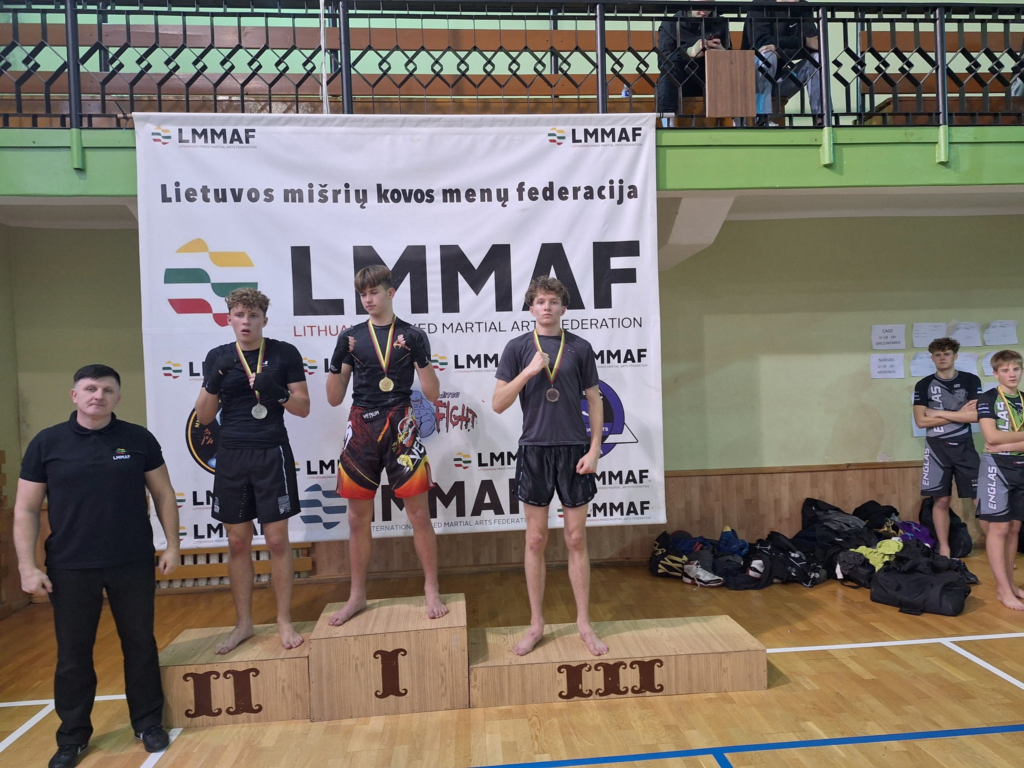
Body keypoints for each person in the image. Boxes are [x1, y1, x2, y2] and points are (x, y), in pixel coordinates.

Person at [14, 365, 179, 768]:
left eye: (107, 390)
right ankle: (72, 737)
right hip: (70, 567)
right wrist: (27, 567)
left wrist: (172, 545)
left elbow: (163, 494)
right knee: (73, 655)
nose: (98, 396)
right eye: (90, 389)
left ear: (117, 397)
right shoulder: (46, 443)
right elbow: (26, 508)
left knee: (140, 644)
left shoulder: (138, 439)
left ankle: (147, 723)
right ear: (75, 395)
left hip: (132, 561)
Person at [325, 265, 446, 625]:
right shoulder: (350, 337)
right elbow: (333, 398)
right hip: (361, 425)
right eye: (362, 294)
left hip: (401, 424)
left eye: (373, 292)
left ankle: (431, 588)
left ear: (390, 293)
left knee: (419, 514)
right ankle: (357, 595)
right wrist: (335, 361)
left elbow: (433, 393)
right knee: (356, 518)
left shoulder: (412, 335)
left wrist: (422, 357)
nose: (368, 299)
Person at [492, 277, 607, 657]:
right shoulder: (517, 347)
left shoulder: (580, 348)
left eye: (553, 301)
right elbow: (498, 403)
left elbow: (595, 400)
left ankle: (584, 624)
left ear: (563, 308)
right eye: (540, 301)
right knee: (535, 540)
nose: (546, 307)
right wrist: (528, 372)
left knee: (575, 538)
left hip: (574, 450)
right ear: (531, 309)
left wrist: (594, 449)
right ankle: (536, 624)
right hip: (535, 450)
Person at [195, 288, 310, 653]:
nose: (246, 321)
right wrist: (213, 381)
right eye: (240, 315)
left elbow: (303, 408)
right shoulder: (217, 357)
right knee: (237, 542)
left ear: (264, 319)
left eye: (253, 315)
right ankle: (244, 623)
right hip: (231, 455)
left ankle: (283, 620)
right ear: (228, 318)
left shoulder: (284, 353)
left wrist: (276, 391)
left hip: (271, 451)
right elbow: (204, 417)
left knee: (276, 541)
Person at [912, 337, 982, 557]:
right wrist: (960, 414)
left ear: (955, 356)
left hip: (965, 447)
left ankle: (996, 549)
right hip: (937, 449)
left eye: (947, 353)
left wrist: (937, 413)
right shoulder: (923, 384)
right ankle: (944, 548)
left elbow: (976, 416)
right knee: (941, 500)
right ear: (932, 358)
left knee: (979, 498)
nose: (942, 358)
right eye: (938, 354)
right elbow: (921, 421)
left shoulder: (971, 380)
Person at [976, 350, 1024, 611]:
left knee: (1014, 528)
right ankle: (1003, 590)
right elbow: (991, 437)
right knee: (999, 529)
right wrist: (1003, 443)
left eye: (1016, 369)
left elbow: (999, 440)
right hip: (996, 467)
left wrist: (1008, 444)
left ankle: (1011, 585)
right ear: (995, 373)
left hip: (1020, 466)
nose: (1012, 374)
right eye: (1005, 370)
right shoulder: (988, 398)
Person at [741, 0, 821, 123]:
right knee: (768, 55)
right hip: (754, 81)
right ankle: (763, 118)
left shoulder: (802, 6)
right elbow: (760, 42)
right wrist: (803, 41)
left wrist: (780, 50)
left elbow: (813, 44)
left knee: (816, 58)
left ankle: (821, 118)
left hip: (782, 81)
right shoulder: (759, 4)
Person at [656, 6, 732, 125]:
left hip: (711, 79)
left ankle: (740, 122)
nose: (704, 11)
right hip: (682, 82)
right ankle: (667, 124)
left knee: (735, 70)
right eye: (699, 5)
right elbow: (663, 61)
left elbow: (732, 60)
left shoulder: (720, 23)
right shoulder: (671, 24)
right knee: (669, 69)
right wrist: (689, 52)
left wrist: (722, 52)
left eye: (708, 6)